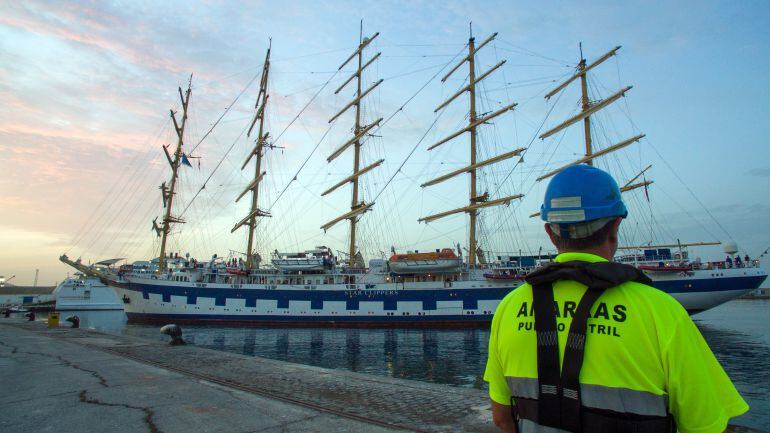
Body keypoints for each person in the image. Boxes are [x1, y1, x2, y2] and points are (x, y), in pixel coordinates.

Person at [484, 165, 747, 433]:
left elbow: (502, 418)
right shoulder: (661, 310)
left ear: (550, 232)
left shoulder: (508, 307)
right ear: (615, 226)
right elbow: (706, 426)